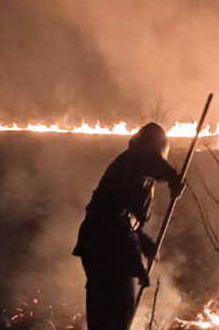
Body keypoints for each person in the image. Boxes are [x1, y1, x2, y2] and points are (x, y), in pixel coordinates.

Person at [73, 122, 183, 330]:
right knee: (116, 312)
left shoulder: (135, 171)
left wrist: (145, 244)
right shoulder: (134, 159)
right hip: (106, 246)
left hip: (101, 243)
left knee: (108, 312)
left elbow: (127, 221)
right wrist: (172, 177)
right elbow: (117, 222)